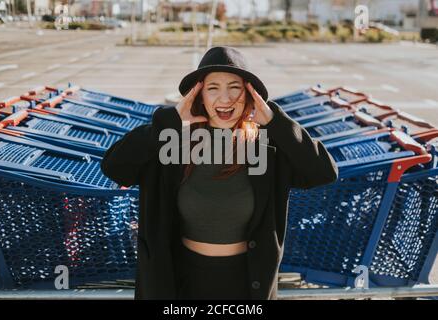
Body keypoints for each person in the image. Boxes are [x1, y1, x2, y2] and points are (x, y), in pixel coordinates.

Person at [100, 46, 338, 300]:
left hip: (247, 283)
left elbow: (323, 172)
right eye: (213, 88)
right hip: (180, 282)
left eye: (234, 87)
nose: (224, 98)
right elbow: (115, 167)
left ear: (249, 94)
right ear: (199, 95)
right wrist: (169, 121)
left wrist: (275, 120)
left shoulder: (266, 147)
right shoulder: (174, 142)